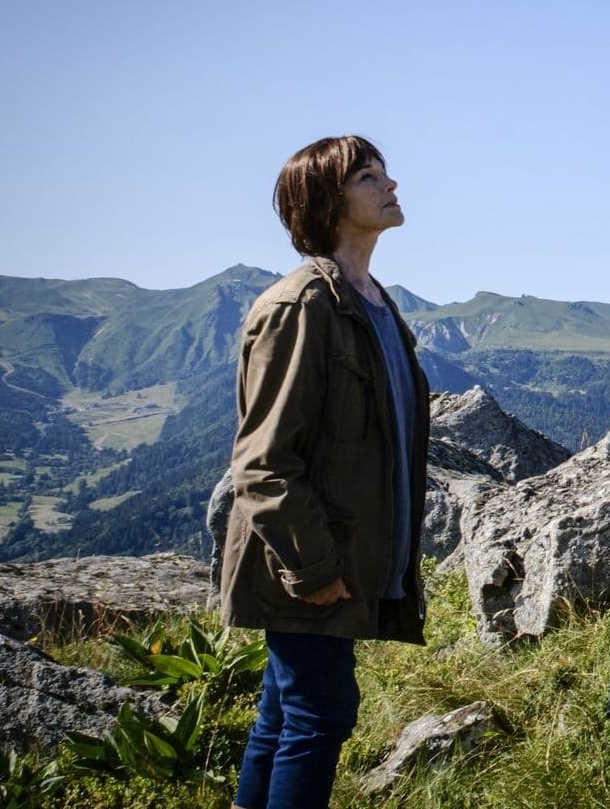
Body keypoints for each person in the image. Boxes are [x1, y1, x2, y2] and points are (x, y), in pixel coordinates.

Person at [218, 135, 429, 809]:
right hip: (306, 565)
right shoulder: (300, 306)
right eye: (368, 176)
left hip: (341, 559)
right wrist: (313, 569)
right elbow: (263, 461)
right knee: (321, 715)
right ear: (326, 201)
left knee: (285, 717)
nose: (390, 183)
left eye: (384, 171)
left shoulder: (373, 303)